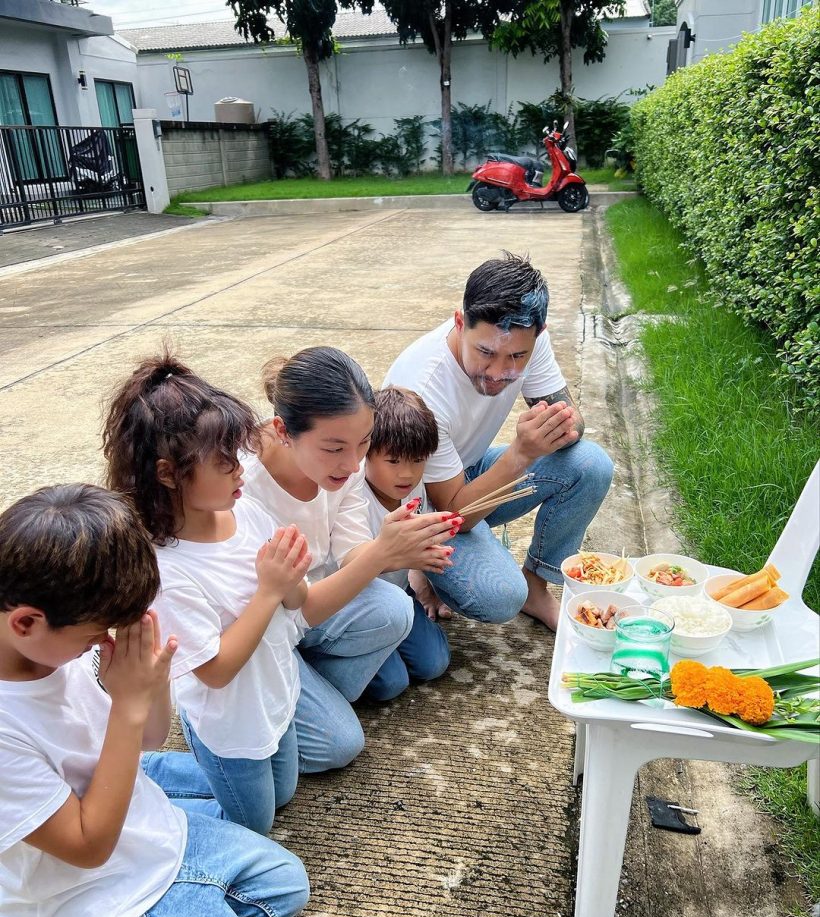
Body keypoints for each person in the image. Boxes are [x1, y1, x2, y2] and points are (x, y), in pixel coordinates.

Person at [0, 484, 309, 917]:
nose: (102, 645)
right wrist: (128, 704)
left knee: (288, 883)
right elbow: (87, 846)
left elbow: (145, 740)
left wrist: (152, 684)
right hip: (91, 903)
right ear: (26, 621)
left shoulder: (54, 639)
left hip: (146, 830)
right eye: (96, 636)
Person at [103, 355, 368, 835]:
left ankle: (156, 776)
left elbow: (298, 603)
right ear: (168, 474)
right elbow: (217, 670)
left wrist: (291, 579)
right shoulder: (168, 568)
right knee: (251, 824)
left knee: (284, 792)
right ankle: (133, 789)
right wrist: (269, 590)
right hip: (230, 724)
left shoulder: (245, 512)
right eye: (225, 463)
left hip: (274, 695)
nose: (240, 470)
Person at [384, 252, 614, 631]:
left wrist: (563, 422)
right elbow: (455, 515)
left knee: (590, 464)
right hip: (420, 504)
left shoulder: (530, 341)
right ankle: (420, 567)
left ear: (537, 335)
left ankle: (536, 585)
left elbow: (573, 422)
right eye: (485, 353)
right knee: (500, 596)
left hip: (467, 472)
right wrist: (522, 452)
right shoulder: (423, 388)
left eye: (516, 357)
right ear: (461, 322)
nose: (498, 372)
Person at [242, 347, 460, 703]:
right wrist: (386, 552)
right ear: (283, 430)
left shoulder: (349, 464)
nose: (352, 462)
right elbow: (291, 607)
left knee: (399, 638)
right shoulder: (246, 486)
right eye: (334, 448)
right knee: (344, 736)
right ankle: (301, 689)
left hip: (319, 601)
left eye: (364, 442)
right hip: (266, 624)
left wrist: (401, 548)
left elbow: (351, 548)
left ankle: (312, 688)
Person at [363, 386, 451, 699]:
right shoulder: (352, 498)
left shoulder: (415, 489)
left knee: (435, 663)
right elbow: (349, 567)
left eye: (417, 460)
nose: (407, 473)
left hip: (399, 592)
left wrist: (426, 564)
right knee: (391, 683)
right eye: (393, 460)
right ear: (365, 451)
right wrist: (406, 557)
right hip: (359, 604)